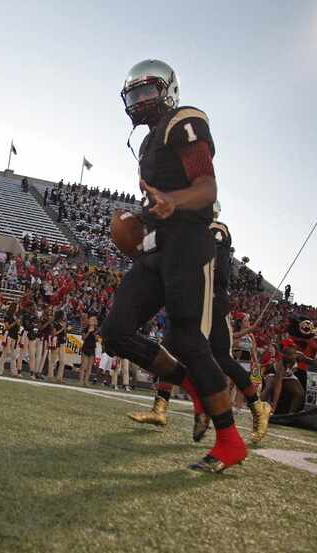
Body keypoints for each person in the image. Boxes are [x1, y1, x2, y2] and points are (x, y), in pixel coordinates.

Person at [101, 60, 246, 472]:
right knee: (115, 332)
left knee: (188, 338)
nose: (140, 101)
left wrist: (173, 203)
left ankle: (230, 441)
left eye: (148, 91)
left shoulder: (184, 121)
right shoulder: (147, 145)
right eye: (134, 94)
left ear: (168, 91)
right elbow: (156, 202)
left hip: (188, 241)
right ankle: (193, 389)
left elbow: (207, 188)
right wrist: (137, 221)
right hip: (156, 245)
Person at [128, 216, 272, 444]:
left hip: (212, 301)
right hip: (190, 300)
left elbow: (217, 272)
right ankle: (160, 408)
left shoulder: (216, 229)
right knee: (168, 352)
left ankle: (257, 407)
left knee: (221, 359)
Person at [262, 339, 309, 414]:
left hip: (287, 374)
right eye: (290, 347)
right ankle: (258, 407)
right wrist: (274, 406)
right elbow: (278, 386)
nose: (293, 350)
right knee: (269, 387)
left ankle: (291, 414)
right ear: (284, 352)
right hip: (273, 374)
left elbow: (308, 360)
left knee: (300, 393)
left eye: (293, 347)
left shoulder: (298, 355)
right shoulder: (280, 362)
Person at [0, 302, 21, 376]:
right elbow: (7, 327)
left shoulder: (17, 316)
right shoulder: (8, 315)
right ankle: (0, 369)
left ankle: (14, 371)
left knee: (13, 355)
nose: (17, 308)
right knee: (5, 353)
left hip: (15, 336)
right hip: (9, 335)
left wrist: (18, 323)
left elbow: (19, 326)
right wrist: (15, 322)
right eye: (17, 307)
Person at [50, 309, 68, 383]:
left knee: (62, 361)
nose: (64, 316)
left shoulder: (63, 323)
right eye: (63, 315)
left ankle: (59, 378)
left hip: (62, 342)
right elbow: (54, 333)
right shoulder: (55, 323)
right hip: (56, 342)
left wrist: (65, 332)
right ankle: (50, 376)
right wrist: (62, 329)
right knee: (53, 360)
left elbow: (64, 332)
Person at [79, 317, 98, 386]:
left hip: (92, 348)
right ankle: (81, 381)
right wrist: (89, 331)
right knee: (84, 366)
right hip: (86, 347)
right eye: (91, 320)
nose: (92, 321)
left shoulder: (96, 330)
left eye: (93, 320)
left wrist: (94, 334)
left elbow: (96, 339)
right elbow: (83, 338)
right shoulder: (85, 328)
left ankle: (86, 381)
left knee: (89, 367)